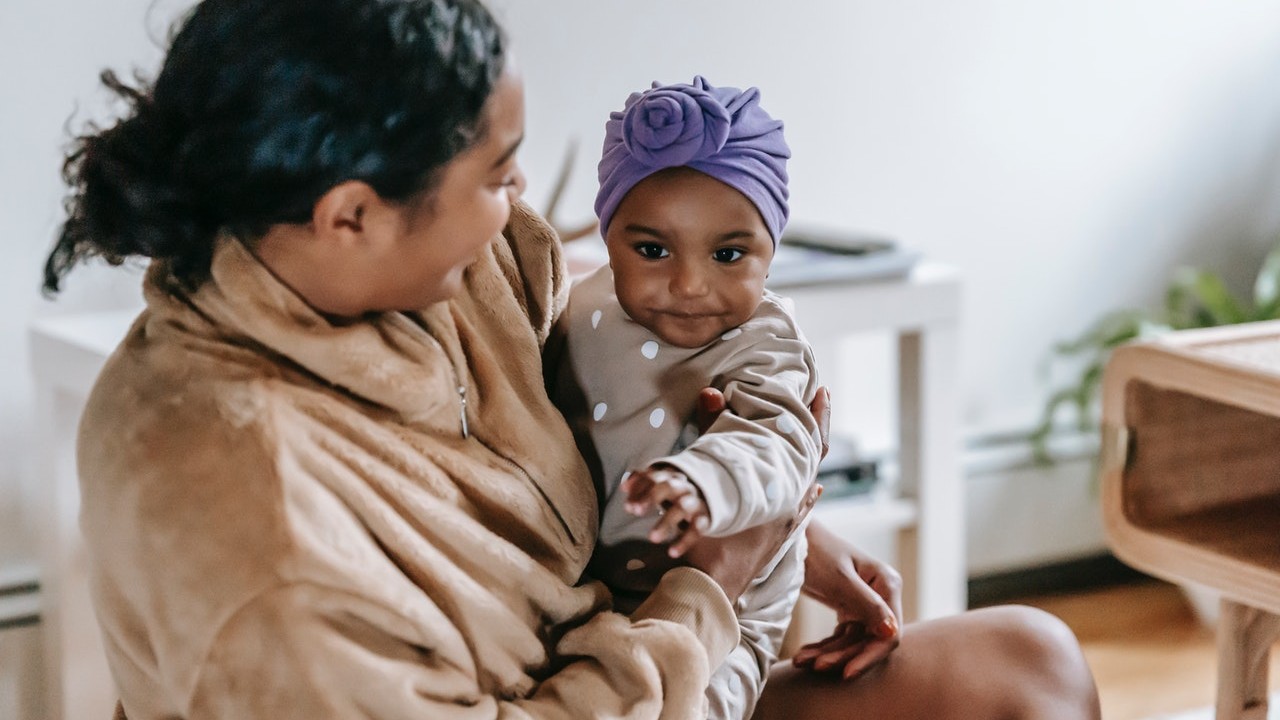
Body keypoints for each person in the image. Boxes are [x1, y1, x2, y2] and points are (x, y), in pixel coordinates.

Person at [43, 0, 1103, 718]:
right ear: (351, 214)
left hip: (647, 654)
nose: (520, 203)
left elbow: (606, 406)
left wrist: (767, 522)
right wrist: (710, 587)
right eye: (496, 175)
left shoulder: (453, 272)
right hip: (626, 678)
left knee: (1029, 664)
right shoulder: (257, 539)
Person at [548, 77, 820, 720]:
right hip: (593, 593)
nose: (690, 284)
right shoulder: (579, 308)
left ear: (770, 252)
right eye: (652, 250)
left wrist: (703, 482)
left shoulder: (767, 341)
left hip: (733, 611)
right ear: (607, 237)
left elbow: (778, 441)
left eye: (729, 254)